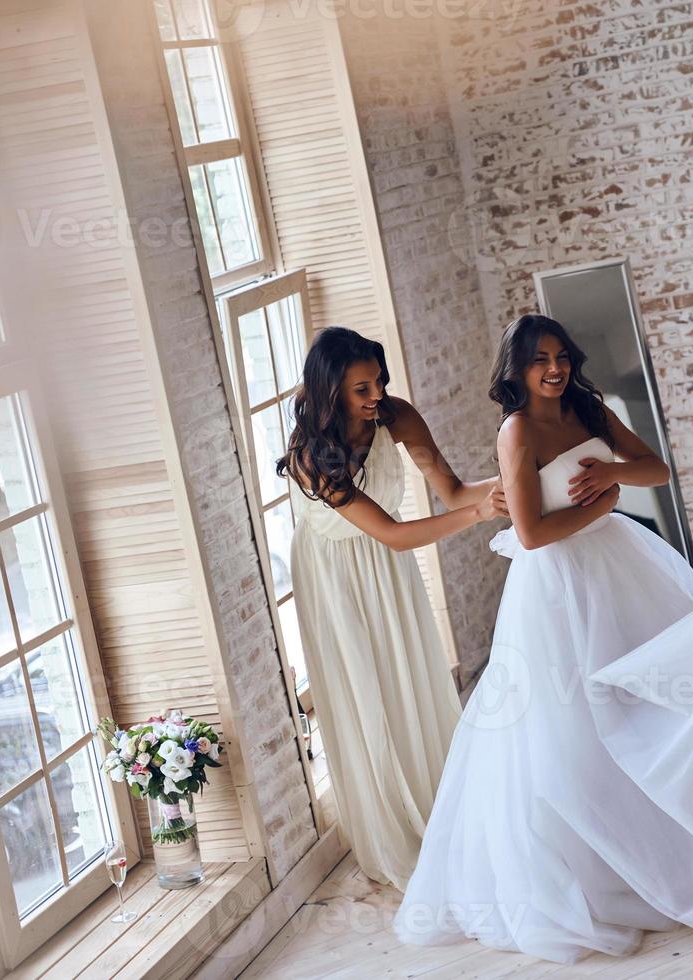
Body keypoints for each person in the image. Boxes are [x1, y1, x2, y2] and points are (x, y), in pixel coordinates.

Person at [395, 314, 693, 963]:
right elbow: (530, 535)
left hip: (618, 567)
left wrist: (614, 479)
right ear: (517, 371)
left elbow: (656, 469)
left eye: (561, 356)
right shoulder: (517, 430)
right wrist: (600, 505)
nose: (554, 369)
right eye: (540, 361)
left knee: (651, 702)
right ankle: (592, 870)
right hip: (556, 587)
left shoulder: (586, 405)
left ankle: (673, 836)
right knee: (568, 724)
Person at [278, 326, 506, 890]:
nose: (376, 395)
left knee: (413, 682)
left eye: (378, 381)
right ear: (330, 391)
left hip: (388, 572)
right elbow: (396, 533)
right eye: (361, 389)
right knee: (369, 692)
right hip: (337, 578)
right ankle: (397, 826)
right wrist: (482, 517)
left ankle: (442, 803)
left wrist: (520, 478)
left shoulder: (397, 417)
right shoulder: (311, 457)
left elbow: (451, 491)